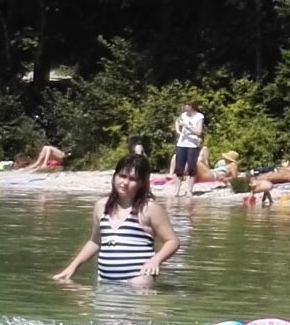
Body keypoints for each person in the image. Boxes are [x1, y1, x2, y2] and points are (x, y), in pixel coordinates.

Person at [52, 155, 180, 288]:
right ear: (114, 176)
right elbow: (95, 242)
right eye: (122, 176)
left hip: (138, 280)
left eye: (132, 179)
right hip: (105, 281)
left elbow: (172, 241)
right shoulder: (101, 206)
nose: (125, 182)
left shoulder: (149, 209)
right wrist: (72, 268)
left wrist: (156, 260)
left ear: (142, 182)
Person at [172, 100, 206, 191]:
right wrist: (178, 131)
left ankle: (189, 191)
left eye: (187, 105)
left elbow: (198, 132)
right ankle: (177, 191)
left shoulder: (199, 116)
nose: (185, 107)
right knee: (179, 167)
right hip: (181, 143)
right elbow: (177, 121)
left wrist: (187, 126)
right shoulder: (183, 115)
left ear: (192, 106)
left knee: (191, 167)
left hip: (193, 145)